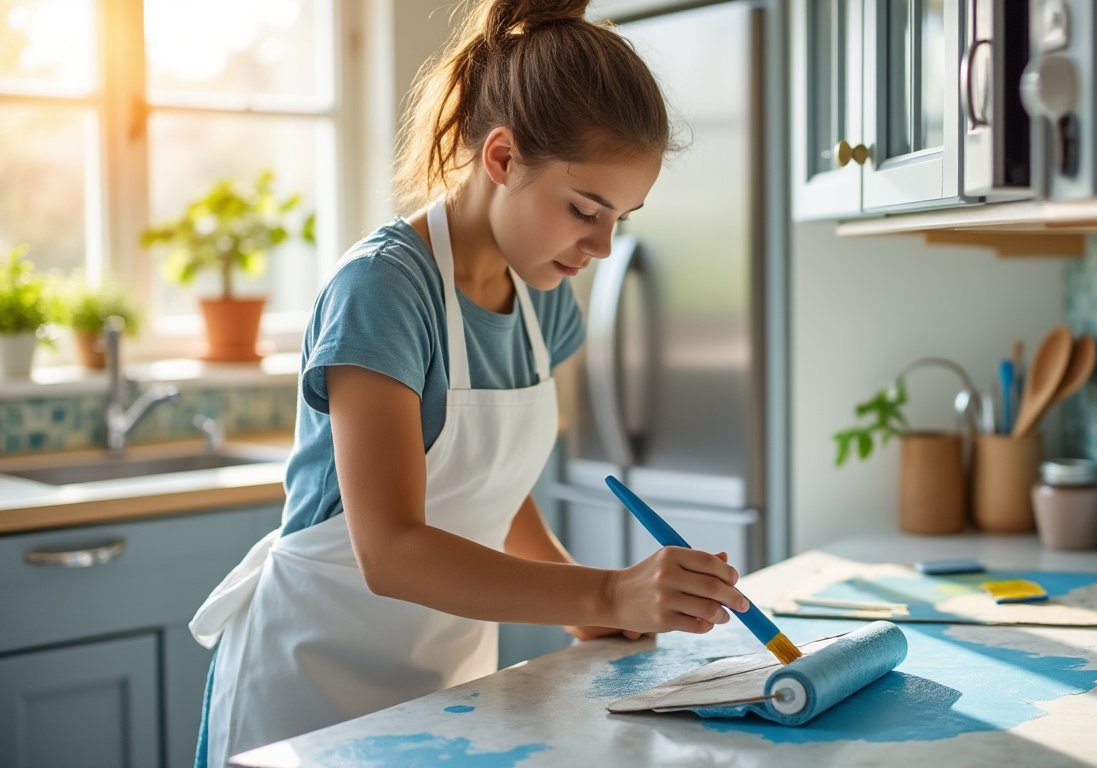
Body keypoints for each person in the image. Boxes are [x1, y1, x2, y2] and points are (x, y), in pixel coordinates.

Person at [188, 1, 751, 764]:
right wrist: (604, 591)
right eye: (586, 209)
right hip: (307, 694)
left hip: (441, 693)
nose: (604, 246)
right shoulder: (384, 290)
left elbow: (486, 480)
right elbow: (391, 549)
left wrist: (585, 606)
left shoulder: (540, 300)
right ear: (501, 159)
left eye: (621, 217)